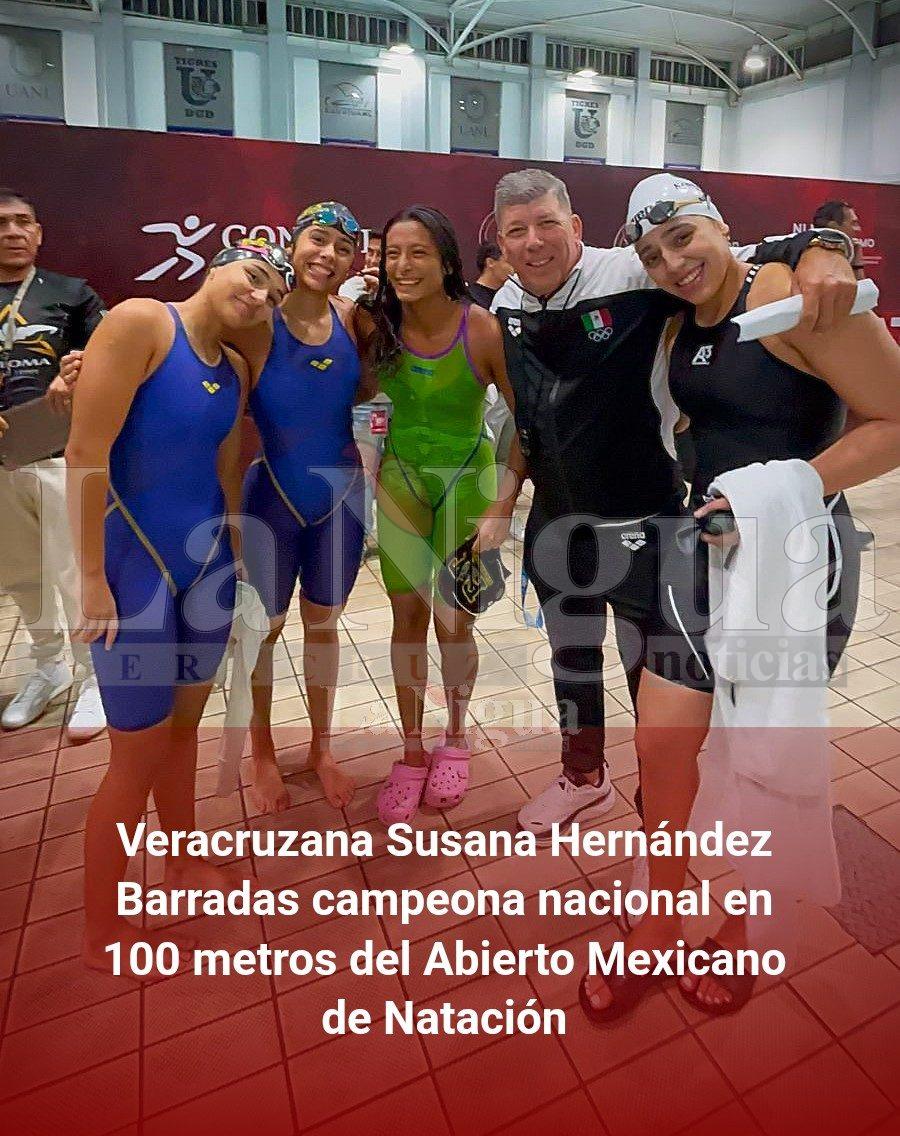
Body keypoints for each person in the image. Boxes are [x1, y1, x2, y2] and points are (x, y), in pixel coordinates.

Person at [578, 173, 900, 1020]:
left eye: (683, 237)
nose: (673, 262)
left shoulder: (795, 291)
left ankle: (746, 925)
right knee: (662, 746)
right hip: (702, 550)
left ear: (719, 224)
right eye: (653, 254)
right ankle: (659, 921)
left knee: (763, 754)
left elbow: (895, 419)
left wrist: (779, 488)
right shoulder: (685, 317)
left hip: (792, 559)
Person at [481, 167, 858, 846]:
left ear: (575, 226)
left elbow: (730, 257)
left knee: (652, 678)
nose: (533, 242)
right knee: (571, 656)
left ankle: (660, 792)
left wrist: (824, 244)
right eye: (516, 230)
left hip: (642, 515)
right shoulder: (503, 302)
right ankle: (583, 776)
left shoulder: (635, 272)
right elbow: (522, 414)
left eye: (546, 224)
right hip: (555, 521)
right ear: (499, 242)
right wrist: (504, 501)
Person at [66, 237, 292, 972]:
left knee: (183, 735)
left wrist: (231, 560)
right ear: (216, 265)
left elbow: (225, 469)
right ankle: (103, 924)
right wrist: (92, 576)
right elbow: (85, 453)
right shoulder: (141, 322)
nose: (258, 296)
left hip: (204, 573)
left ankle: (181, 860)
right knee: (133, 758)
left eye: (270, 295)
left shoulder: (233, 370)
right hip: (132, 572)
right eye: (253, 277)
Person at [362, 206, 518, 825]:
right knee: (406, 621)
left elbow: (521, 422)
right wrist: (368, 457)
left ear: (448, 261)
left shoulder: (480, 329)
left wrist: (503, 503)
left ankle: (456, 738)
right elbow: (366, 399)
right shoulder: (373, 324)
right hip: (400, 485)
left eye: (418, 252)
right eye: (393, 252)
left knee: (455, 623)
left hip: (467, 485)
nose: (403, 265)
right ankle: (410, 749)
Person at [232, 203, 369, 814]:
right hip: (271, 500)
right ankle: (261, 751)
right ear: (293, 243)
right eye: (318, 239)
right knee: (263, 633)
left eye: (343, 246)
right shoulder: (256, 325)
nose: (328, 255)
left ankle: (321, 747)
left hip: (340, 500)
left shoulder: (354, 323)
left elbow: (379, 397)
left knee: (322, 627)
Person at [0, 187, 106, 740]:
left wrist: (79, 373)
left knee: (74, 570)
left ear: (39, 233)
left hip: (62, 455)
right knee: (20, 572)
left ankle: (94, 676)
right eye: (2, 224)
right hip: (0, 462)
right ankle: (48, 667)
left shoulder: (72, 295)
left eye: (24, 222)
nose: (13, 232)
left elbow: (109, 363)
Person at [341, 229, 393, 556]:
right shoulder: (351, 292)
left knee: (396, 476)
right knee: (364, 475)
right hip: (366, 404)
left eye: (381, 255)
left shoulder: (403, 297)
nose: (372, 260)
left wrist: (389, 299)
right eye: (370, 253)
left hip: (403, 402)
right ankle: (357, 540)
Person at [813, 200, 864, 277]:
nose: (858, 229)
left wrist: (856, 261)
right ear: (834, 227)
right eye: (853, 223)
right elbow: (859, 289)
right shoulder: (813, 263)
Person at [468, 240, 514, 310]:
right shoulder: (470, 299)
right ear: (490, 262)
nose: (515, 268)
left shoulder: (511, 298)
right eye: (509, 262)